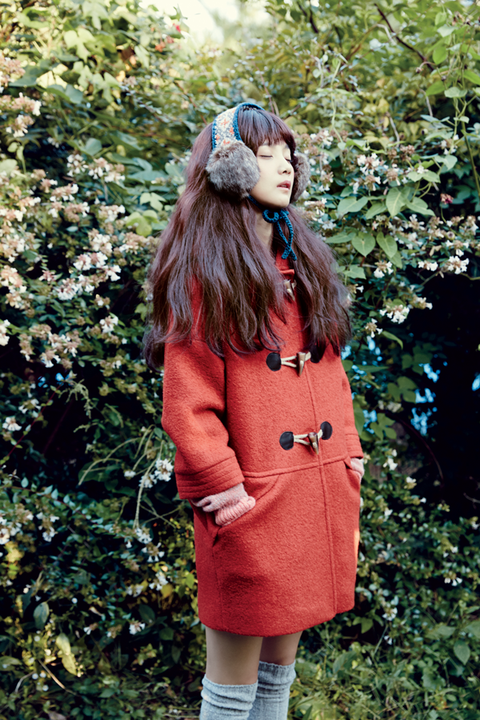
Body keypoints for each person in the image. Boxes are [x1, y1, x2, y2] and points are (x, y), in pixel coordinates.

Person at [144, 103, 364, 719]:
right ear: (230, 168)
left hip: (313, 488)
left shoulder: (303, 266)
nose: (285, 167)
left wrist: (347, 453)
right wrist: (225, 488)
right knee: (232, 685)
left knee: (278, 673)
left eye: (289, 155)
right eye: (266, 156)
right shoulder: (205, 274)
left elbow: (330, 371)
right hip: (248, 499)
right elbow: (187, 403)